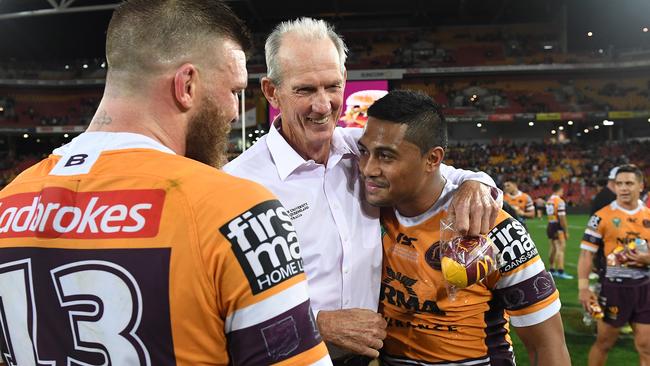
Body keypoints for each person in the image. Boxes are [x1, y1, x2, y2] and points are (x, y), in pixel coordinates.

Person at [0, 1, 330, 365]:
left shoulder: (8, 203)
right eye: (234, 91)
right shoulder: (239, 212)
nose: (236, 110)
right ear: (186, 84)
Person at [223, 17, 501, 363]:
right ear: (271, 91)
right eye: (305, 90)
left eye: (332, 86)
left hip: (366, 358)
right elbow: (223, 306)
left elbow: (439, 174)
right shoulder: (236, 183)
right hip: (289, 356)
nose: (322, 105)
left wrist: (476, 183)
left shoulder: (362, 152)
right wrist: (317, 324)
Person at [357, 90, 570, 366]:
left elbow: (547, 347)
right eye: (364, 151)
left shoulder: (493, 228)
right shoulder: (365, 211)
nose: (368, 169)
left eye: (386, 156)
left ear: (433, 159)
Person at [578, 164, 650, 366]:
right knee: (604, 342)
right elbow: (585, 255)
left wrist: (647, 260)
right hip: (614, 289)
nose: (624, 188)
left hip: (645, 288)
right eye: (619, 184)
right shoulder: (601, 217)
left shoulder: (648, 216)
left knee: (646, 346)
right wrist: (583, 288)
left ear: (641, 186)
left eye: (629, 183)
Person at [546, 183, 573, 279]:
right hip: (557, 226)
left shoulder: (549, 200)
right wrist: (566, 231)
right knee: (560, 248)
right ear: (560, 190)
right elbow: (562, 217)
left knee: (553, 248)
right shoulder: (559, 201)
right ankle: (561, 271)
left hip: (550, 224)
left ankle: (552, 269)